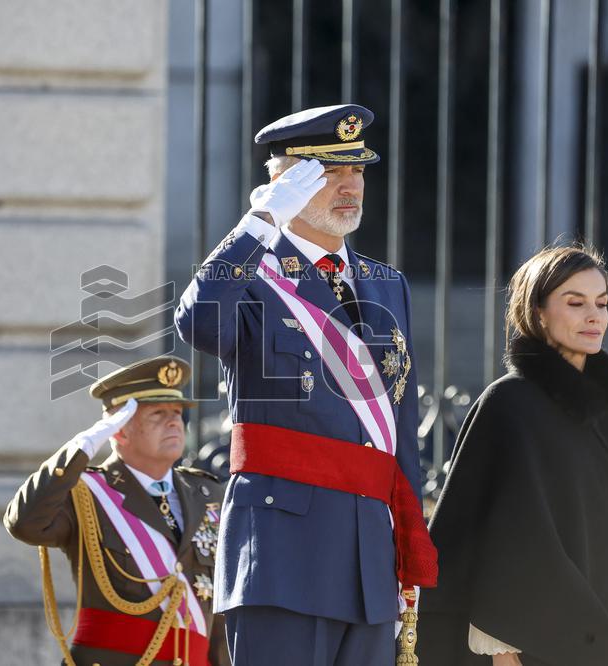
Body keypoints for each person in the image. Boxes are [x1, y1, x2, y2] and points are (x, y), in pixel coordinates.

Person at [175, 104, 437, 664]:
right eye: (327, 172)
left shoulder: (386, 284)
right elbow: (197, 322)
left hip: (369, 557)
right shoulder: (252, 273)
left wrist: (407, 543)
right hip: (283, 553)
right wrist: (258, 226)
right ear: (282, 183)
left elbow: (400, 424)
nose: (350, 186)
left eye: (358, 170)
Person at [417, 245, 608, 665]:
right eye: (575, 303)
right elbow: (476, 535)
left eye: (602, 303)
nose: (595, 316)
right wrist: (498, 648)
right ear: (537, 312)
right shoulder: (507, 403)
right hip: (530, 643)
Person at [4, 356, 230, 666]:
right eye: (157, 414)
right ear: (119, 430)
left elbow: (219, 612)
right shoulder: (85, 492)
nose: (174, 422)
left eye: (177, 413)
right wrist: (83, 446)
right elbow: (24, 524)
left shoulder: (208, 494)